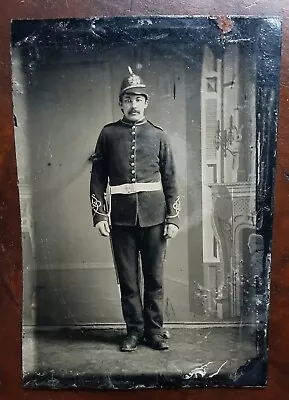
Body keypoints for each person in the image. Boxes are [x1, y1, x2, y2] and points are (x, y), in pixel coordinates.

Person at [90, 66, 180, 351]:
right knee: (128, 280)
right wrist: (100, 215)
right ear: (120, 103)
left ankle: (154, 332)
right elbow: (97, 178)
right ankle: (133, 331)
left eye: (139, 99)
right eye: (128, 99)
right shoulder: (108, 134)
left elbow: (171, 179)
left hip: (154, 218)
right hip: (121, 219)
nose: (133, 104)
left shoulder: (159, 136)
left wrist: (173, 218)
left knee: (154, 278)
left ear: (146, 102)